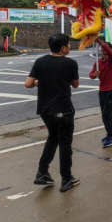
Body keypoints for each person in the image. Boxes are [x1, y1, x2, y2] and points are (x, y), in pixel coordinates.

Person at [25, 33, 80, 192]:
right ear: (63, 48)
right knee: (65, 144)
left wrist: (42, 81)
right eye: (69, 45)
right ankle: (66, 178)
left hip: (45, 111)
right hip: (64, 111)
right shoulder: (71, 63)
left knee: (52, 139)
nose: (70, 47)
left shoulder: (40, 61)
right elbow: (75, 84)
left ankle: (42, 173)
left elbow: (28, 84)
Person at [89, 38, 112, 148]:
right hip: (102, 91)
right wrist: (94, 75)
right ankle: (111, 133)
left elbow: (111, 53)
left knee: (107, 114)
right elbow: (91, 74)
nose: (104, 50)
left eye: (105, 48)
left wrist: (100, 41)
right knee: (104, 114)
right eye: (102, 49)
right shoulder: (98, 62)